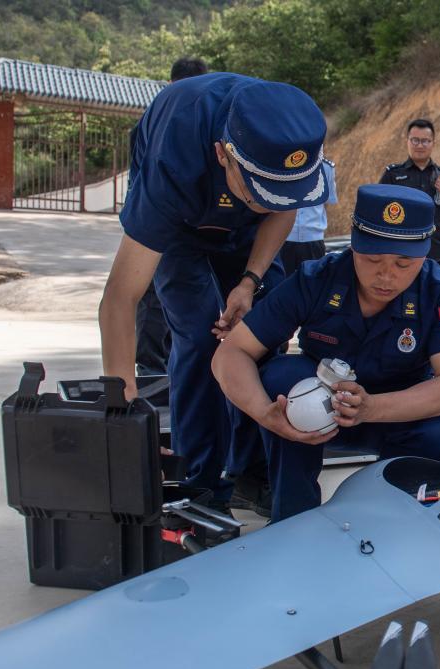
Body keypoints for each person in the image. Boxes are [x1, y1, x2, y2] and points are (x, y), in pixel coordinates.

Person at [99, 73, 329, 515]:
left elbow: (283, 210)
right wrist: (123, 406)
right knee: (202, 335)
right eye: (260, 191)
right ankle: (199, 483)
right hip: (181, 230)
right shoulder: (174, 159)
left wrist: (249, 282)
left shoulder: (291, 137)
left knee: (260, 335)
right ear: (223, 155)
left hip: (247, 237)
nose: (270, 201)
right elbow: (120, 298)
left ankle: (249, 472)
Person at [212, 184, 440, 523]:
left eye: (403, 263)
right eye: (372, 258)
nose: (386, 275)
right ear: (353, 244)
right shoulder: (316, 279)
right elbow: (230, 354)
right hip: (319, 413)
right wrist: (265, 413)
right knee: (281, 378)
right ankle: (293, 517)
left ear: (424, 254)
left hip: (394, 414)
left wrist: (371, 408)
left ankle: (390, 513)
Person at [134, 56, 210, 376]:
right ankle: (153, 372)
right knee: (153, 298)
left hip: (187, 231)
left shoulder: (160, 118)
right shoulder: (162, 120)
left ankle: (164, 368)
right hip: (162, 225)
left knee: (182, 306)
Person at [380, 119, 440, 266]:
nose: (420, 145)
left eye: (425, 141)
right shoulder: (393, 175)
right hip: (402, 256)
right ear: (407, 141)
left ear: (433, 143)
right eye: (415, 140)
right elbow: (379, 212)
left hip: (436, 255)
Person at [281, 155, 337, 274]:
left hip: (313, 238)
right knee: (281, 284)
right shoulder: (281, 164)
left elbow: (326, 202)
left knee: (313, 284)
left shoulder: (326, 167)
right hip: (283, 238)